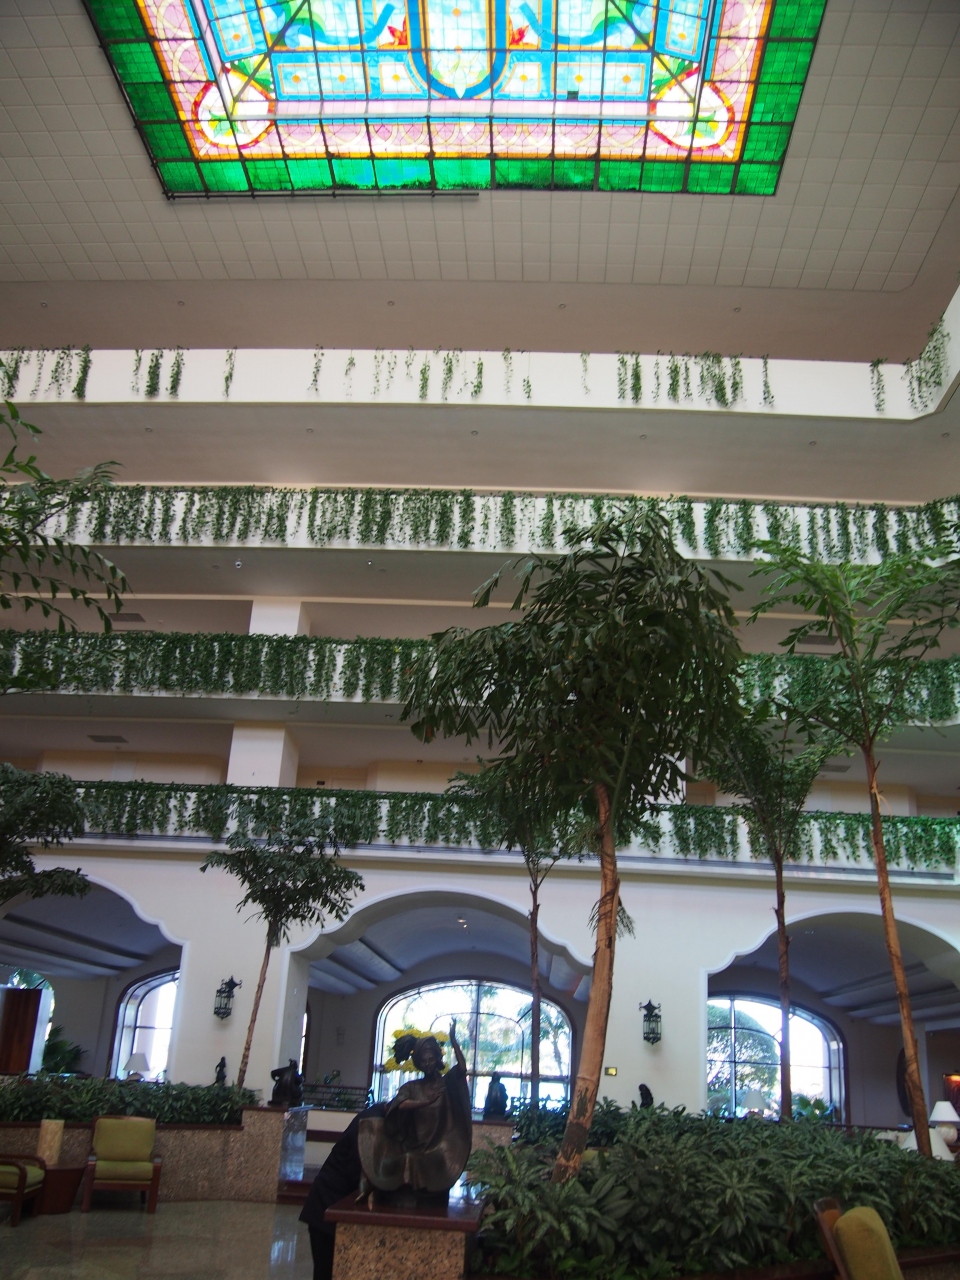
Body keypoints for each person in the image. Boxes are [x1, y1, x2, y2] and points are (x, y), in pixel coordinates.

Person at [359, 1020, 472, 1195]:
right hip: (412, 1145)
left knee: (422, 1160)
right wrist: (426, 1102)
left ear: (437, 1059)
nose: (427, 1063)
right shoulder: (411, 1087)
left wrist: (453, 1039)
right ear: (418, 1063)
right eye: (423, 1060)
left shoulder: (446, 1083)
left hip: (438, 1145)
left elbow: (462, 1068)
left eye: (431, 1059)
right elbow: (400, 1104)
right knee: (402, 1156)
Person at [299, 1103, 386, 1280]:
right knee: (326, 1271)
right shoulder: (370, 1123)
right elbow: (359, 1169)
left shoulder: (378, 1116)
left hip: (333, 1203)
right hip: (326, 1206)